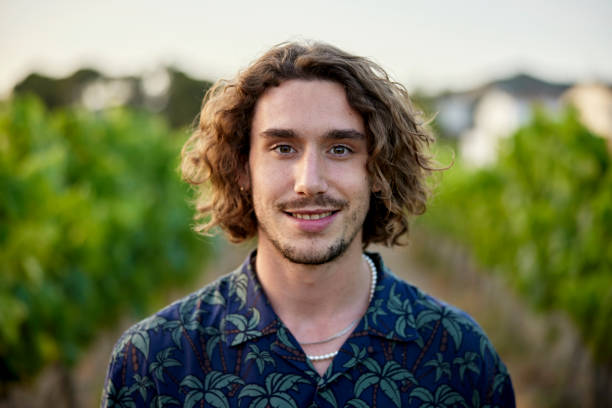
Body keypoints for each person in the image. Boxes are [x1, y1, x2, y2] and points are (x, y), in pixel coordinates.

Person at [102, 41, 515, 407]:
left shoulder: (462, 358)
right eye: (283, 148)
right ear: (242, 168)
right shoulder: (154, 365)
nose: (309, 182)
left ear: (377, 170)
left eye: (340, 148)